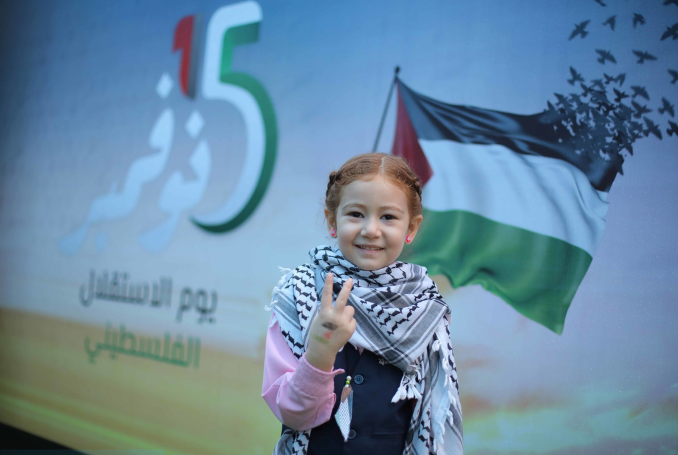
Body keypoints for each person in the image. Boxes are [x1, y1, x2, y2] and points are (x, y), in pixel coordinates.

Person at [262, 153, 463, 454]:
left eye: (388, 217)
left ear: (411, 228)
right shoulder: (299, 293)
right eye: (356, 214)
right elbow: (291, 414)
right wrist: (320, 351)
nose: (371, 230)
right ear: (332, 220)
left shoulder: (424, 309)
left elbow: (433, 426)